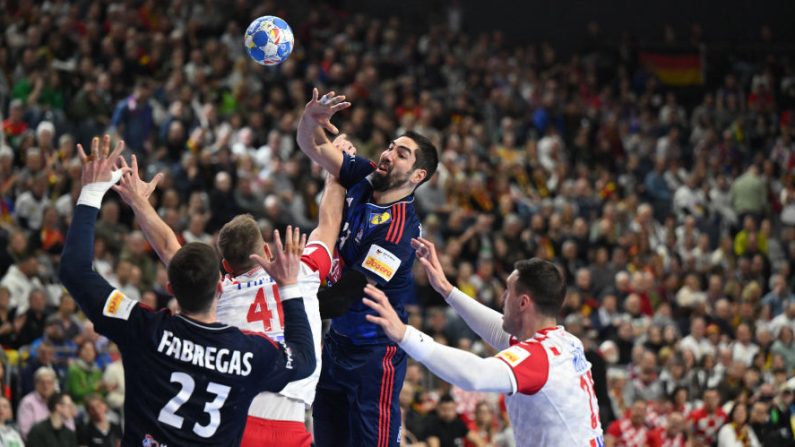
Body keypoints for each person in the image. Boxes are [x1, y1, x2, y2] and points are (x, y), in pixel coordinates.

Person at [57, 136, 316, 446]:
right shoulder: (247, 354)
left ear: (170, 287)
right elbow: (304, 359)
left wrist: (93, 191)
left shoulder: (142, 328)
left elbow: (75, 270)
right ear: (220, 286)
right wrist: (288, 286)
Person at [113, 154, 346, 446]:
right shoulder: (304, 270)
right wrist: (336, 169)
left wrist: (138, 201)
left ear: (226, 266)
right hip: (290, 423)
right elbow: (329, 221)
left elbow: (168, 247)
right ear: (264, 249)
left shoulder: (218, 291)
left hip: (232, 421)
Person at [297, 89, 439, 447]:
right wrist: (310, 118)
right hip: (337, 346)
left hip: (374, 359)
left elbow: (345, 297)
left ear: (418, 175)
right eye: (391, 146)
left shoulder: (398, 231)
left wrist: (288, 300)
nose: (388, 154)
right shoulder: (367, 178)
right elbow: (313, 148)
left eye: (401, 154)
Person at [361, 237, 604, 446]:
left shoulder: (538, 359)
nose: (502, 297)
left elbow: (474, 375)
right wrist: (447, 290)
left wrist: (404, 334)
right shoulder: (565, 342)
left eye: (508, 291)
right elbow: (498, 330)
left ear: (523, 303)